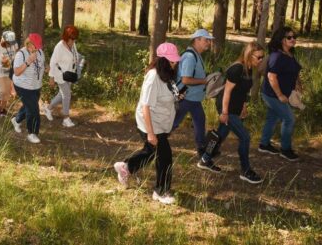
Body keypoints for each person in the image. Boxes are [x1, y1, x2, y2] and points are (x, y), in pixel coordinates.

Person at [113, 43, 182, 205]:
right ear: (162, 60)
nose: (175, 64)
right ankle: (161, 191)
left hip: (161, 123)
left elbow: (166, 95)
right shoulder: (153, 77)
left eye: (175, 60)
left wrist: (177, 97)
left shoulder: (167, 75)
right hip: (150, 123)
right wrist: (151, 133)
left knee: (151, 152)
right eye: (172, 61)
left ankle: (126, 167)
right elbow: (146, 107)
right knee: (165, 157)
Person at [197, 41, 265, 184]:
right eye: (258, 57)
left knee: (221, 134)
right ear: (249, 55)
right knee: (245, 137)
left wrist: (244, 107)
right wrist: (224, 113)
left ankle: (205, 159)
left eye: (262, 57)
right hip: (226, 107)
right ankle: (246, 171)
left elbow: (244, 90)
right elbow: (227, 92)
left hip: (235, 107)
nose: (260, 60)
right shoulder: (237, 69)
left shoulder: (249, 68)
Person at [258, 27, 302, 161]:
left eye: (294, 37)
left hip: (280, 94)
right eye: (289, 37)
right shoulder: (277, 56)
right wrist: (280, 95)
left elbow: (294, 71)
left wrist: (298, 85)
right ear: (281, 40)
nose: (293, 39)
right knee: (289, 119)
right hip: (272, 95)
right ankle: (285, 149)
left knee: (272, 118)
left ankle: (264, 144)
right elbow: (271, 76)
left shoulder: (290, 54)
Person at [172, 29, 214, 157]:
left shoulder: (196, 54)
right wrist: (204, 81)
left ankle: (202, 150)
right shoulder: (190, 57)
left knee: (200, 120)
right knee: (173, 123)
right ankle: (154, 139)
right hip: (186, 98)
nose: (209, 43)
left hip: (193, 98)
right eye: (206, 40)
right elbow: (186, 79)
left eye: (209, 40)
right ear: (197, 40)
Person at [11, 33, 45, 144]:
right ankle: (32, 133)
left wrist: (52, 72)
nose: (38, 48)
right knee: (34, 110)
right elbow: (16, 72)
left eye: (39, 46)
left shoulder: (40, 52)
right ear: (29, 44)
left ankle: (16, 120)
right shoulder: (21, 54)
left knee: (28, 106)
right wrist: (28, 62)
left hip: (36, 86)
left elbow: (42, 66)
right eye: (36, 46)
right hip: (22, 86)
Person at [44, 25, 80, 128]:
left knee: (62, 94)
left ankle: (48, 108)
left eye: (74, 39)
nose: (73, 41)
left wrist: (78, 61)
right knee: (67, 94)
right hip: (59, 75)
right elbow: (52, 62)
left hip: (69, 74)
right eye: (71, 39)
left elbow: (75, 55)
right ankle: (66, 118)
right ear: (66, 37)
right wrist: (51, 78)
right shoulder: (59, 47)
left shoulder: (73, 44)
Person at [0, 30, 18, 116]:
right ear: (4, 40)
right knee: (3, 90)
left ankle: (2, 109)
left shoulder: (14, 45)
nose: (11, 44)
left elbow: (16, 51)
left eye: (12, 42)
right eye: (9, 42)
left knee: (7, 91)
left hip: (9, 72)